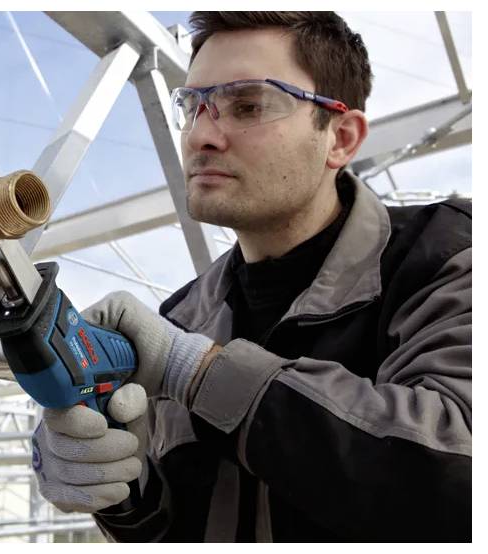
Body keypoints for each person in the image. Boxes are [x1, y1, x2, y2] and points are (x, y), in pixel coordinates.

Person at [29, 11, 472, 542]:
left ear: (341, 137)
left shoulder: (447, 255)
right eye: (192, 106)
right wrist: (119, 488)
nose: (201, 136)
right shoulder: (183, 316)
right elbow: (174, 530)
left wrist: (194, 371)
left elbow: (459, 477)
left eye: (248, 105)